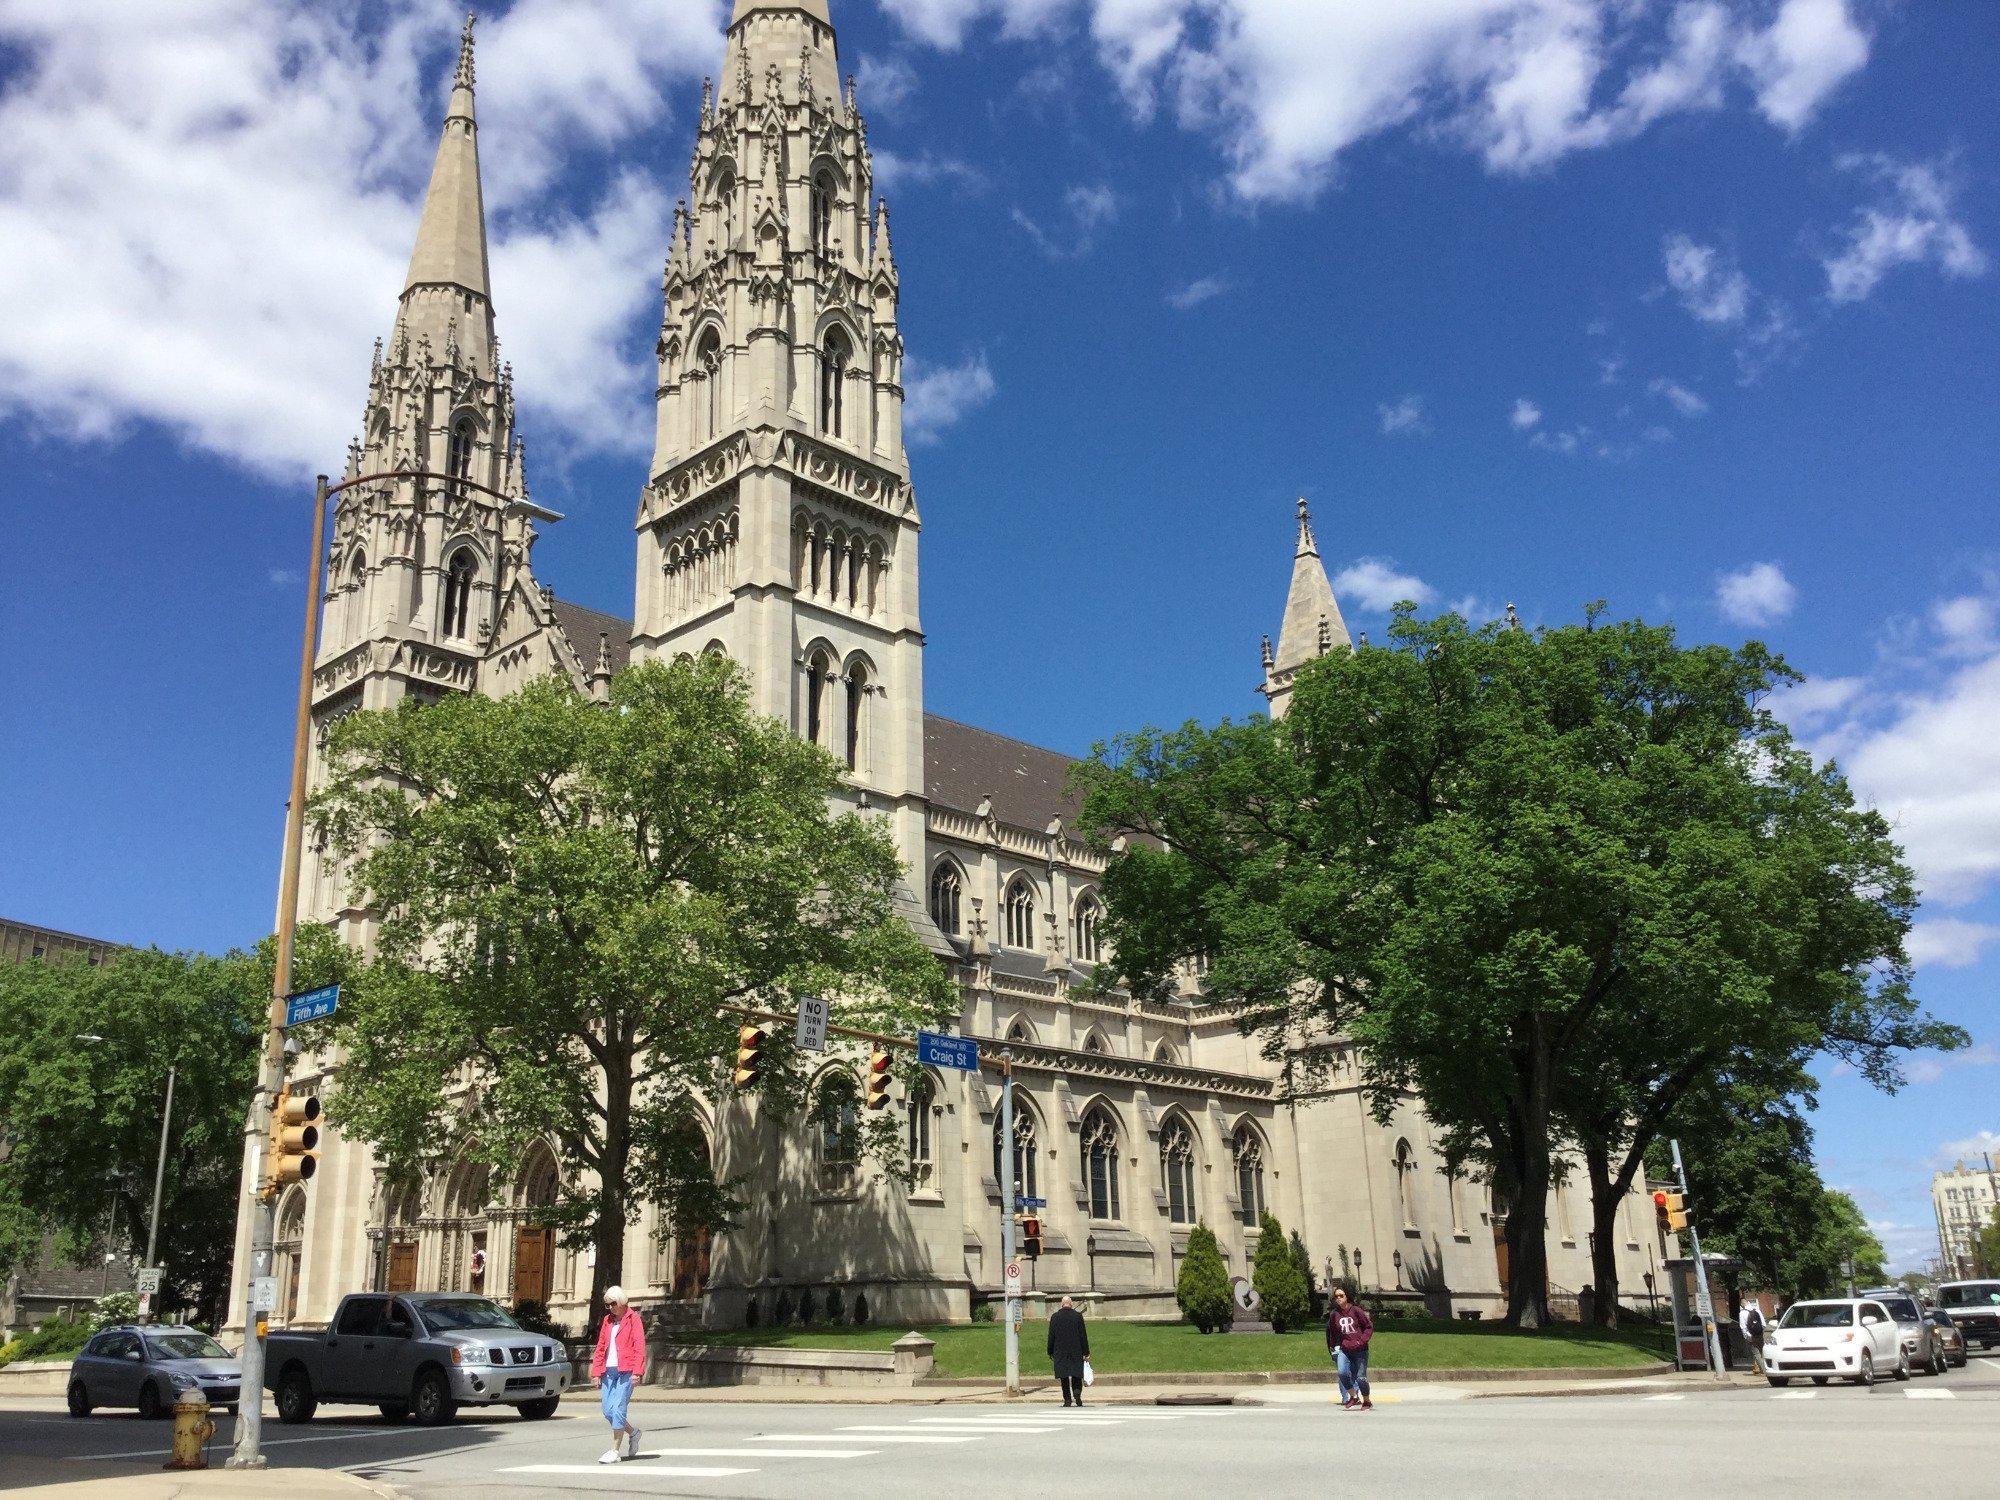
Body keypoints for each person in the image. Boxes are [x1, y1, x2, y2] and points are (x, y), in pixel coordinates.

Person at [591, 1286, 647, 1464]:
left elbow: (639, 1346)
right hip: (609, 1371)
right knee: (608, 1411)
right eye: (607, 1305)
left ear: (622, 1302)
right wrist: (596, 1371)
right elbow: (601, 1347)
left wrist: (637, 1372)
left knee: (619, 1409)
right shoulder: (607, 1321)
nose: (610, 1308)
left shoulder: (633, 1318)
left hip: (627, 1370)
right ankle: (633, 1433)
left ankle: (614, 1451)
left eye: (613, 1304)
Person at [1327, 1287, 1374, 1411]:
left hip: (1360, 1350)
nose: (1338, 1298)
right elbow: (1333, 1331)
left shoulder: (1356, 1310)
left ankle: (1367, 1400)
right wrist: (1333, 1346)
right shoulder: (1334, 1314)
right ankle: (1353, 1396)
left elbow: (1368, 1327)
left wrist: (1361, 1341)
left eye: (1341, 1295)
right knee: (1342, 1373)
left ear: (1347, 1296)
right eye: (1336, 1296)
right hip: (1344, 1349)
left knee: (1360, 1378)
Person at [1047, 1294, 1091, 1407]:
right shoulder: (1077, 1316)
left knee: (1064, 1376)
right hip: (1076, 1349)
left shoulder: (1055, 1317)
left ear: (1062, 1304)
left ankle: (1067, 1399)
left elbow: (1051, 1336)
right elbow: (1083, 1335)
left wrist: (1050, 1350)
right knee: (1076, 1373)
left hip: (1060, 1350)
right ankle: (1077, 1395)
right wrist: (1086, 1352)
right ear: (1071, 1304)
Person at [1739, 1302, 1766, 1373]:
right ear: (1748, 1302)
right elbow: (1763, 1324)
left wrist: (1748, 1336)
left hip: (1751, 1336)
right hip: (1759, 1334)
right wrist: (1760, 1332)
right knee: (1761, 1352)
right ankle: (1760, 1368)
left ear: (1741, 1305)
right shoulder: (1757, 1309)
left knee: (1756, 1353)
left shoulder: (1742, 1313)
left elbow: (1743, 1327)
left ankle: (1764, 1370)